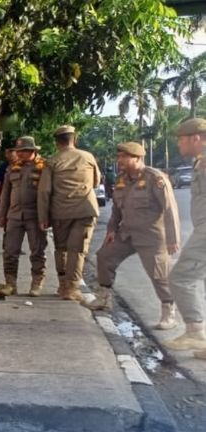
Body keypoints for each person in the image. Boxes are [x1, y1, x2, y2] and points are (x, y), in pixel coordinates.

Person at [86, 142, 180, 330]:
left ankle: (169, 312)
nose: (119, 160)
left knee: (159, 275)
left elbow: (170, 209)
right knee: (104, 256)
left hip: (151, 236)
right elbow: (115, 210)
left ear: (137, 158)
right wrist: (112, 229)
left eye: (124, 156)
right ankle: (104, 298)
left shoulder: (155, 178)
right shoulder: (121, 180)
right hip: (127, 234)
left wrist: (173, 238)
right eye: (119, 156)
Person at [38, 125, 101, 301]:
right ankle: (73, 288)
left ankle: (63, 285)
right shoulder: (88, 157)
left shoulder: (51, 161)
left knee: (62, 249)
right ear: (74, 139)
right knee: (78, 250)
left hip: (61, 212)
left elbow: (44, 191)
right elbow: (96, 182)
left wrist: (43, 217)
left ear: (57, 143)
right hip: (85, 209)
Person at [162, 118, 206, 358]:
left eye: (181, 139)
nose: (178, 144)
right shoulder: (201, 162)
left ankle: (195, 331)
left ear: (195, 138)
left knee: (181, 277)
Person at [0, 136, 48, 297]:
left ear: (32, 151)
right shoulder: (12, 168)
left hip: (35, 216)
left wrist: (46, 217)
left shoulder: (44, 167)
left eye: (22, 151)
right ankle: (10, 284)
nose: (18, 154)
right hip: (14, 215)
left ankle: (36, 283)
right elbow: (6, 193)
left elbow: (49, 194)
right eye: (17, 151)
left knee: (37, 251)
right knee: (10, 251)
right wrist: (2, 214)